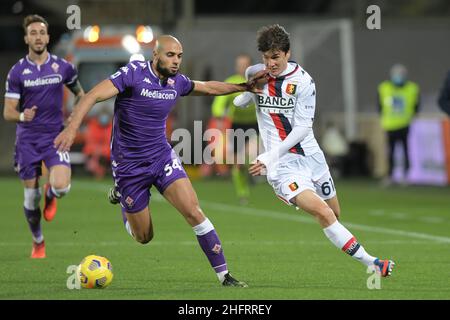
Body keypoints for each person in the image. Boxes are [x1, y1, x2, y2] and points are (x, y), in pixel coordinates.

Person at [54, 35, 265, 287]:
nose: (176, 61)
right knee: (144, 237)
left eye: (179, 56)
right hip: (129, 167)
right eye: (170, 55)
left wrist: (243, 87)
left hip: (161, 158)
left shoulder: (177, 82)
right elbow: (91, 97)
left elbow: (208, 86)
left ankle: (224, 275)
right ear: (155, 55)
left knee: (194, 212)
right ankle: (123, 197)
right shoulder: (133, 74)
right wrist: (70, 129)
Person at [234, 24, 395, 278]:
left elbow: (301, 128)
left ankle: (350, 248)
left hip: (311, 157)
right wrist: (248, 88)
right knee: (323, 212)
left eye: (275, 57)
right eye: (266, 58)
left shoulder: (304, 82)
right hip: (283, 167)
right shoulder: (256, 72)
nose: (270, 63)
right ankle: (372, 263)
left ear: (287, 53)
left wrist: (268, 154)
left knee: (334, 215)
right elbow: (239, 102)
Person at [3, 15, 84, 258]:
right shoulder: (17, 72)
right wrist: (21, 116)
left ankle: (52, 194)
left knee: (62, 187)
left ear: (48, 37)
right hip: (27, 140)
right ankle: (38, 241)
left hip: (54, 137)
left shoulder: (63, 67)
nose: (38, 37)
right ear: (26, 38)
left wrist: (74, 118)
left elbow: (82, 94)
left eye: (42, 32)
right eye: (33, 33)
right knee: (30, 197)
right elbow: (8, 112)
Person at [210, 54, 259, 204]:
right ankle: (242, 192)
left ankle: (256, 174)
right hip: (236, 126)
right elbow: (219, 103)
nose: (241, 67)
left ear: (250, 66)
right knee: (238, 164)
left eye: (245, 64)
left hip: (255, 125)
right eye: (239, 64)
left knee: (250, 157)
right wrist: (218, 115)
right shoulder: (231, 82)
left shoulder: (259, 81)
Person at [377, 64, 420, 186]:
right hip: (390, 125)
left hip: (405, 124)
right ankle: (390, 176)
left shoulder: (412, 88)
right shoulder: (384, 87)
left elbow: (416, 105)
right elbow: (379, 106)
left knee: (406, 150)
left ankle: (406, 176)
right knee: (391, 151)